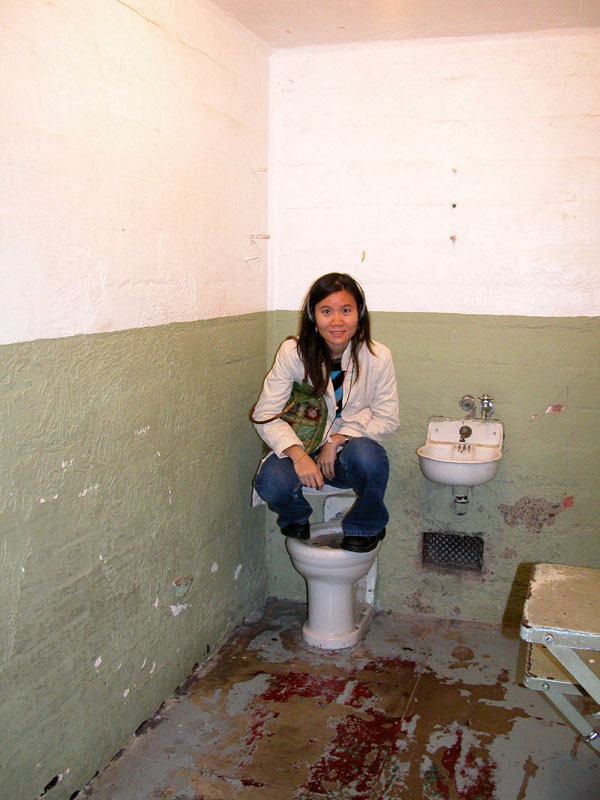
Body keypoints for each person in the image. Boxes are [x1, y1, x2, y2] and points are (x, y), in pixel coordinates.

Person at [251, 273, 399, 553]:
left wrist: (338, 439)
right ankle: (295, 516)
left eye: (346, 310)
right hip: (300, 447)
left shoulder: (378, 357)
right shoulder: (293, 353)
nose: (337, 321)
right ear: (313, 315)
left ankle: (365, 525)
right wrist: (298, 455)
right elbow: (265, 414)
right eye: (326, 311)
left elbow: (387, 418)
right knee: (272, 481)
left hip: (344, 460)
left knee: (369, 456)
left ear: (359, 314)